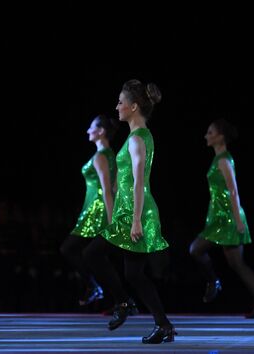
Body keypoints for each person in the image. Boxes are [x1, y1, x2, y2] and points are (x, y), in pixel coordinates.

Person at [83, 79, 175, 344]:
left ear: (134, 107)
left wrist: (135, 220)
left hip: (135, 213)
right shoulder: (137, 136)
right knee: (133, 274)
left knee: (93, 254)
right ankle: (161, 324)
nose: (117, 106)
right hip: (129, 211)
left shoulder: (137, 139)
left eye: (121, 102)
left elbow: (139, 182)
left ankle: (126, 304)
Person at [189, 119, 254, 318]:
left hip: (227, 217)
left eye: (210, 132)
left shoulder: (224, 160)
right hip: (219, 216)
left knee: (196, 250)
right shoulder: (219, 159)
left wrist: (238, 220)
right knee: (237, 264)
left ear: (220, 137)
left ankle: (213, 281)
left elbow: (233, 191)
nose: (206, 136)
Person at [60, 114, 118, 306]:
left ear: (101, 132)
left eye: (91, 127)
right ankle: (117, 300)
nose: (87, 131)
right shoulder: (110, 155)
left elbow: (109, 190)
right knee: (98, 257)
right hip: (95, 210)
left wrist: (111, 221)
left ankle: (94, 287)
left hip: (97, 212)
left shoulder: (101, 157)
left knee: (69, 249)